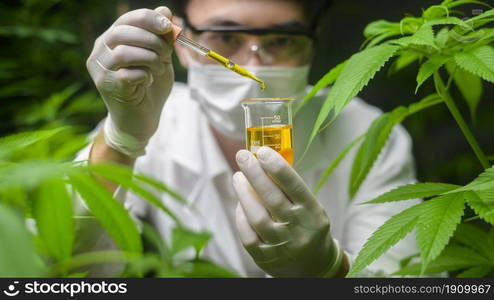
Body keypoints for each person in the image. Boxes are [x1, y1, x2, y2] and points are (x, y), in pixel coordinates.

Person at [79, 0, 419, 277]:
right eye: (226, 39)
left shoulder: (368, 134)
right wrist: (122, 141)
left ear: (311, 48)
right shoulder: (153, 120)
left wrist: (331, 271)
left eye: (281, 41)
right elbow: (71, 268)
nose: (253, 68)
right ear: (182, 44)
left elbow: (410, 279)